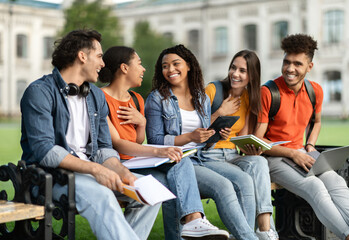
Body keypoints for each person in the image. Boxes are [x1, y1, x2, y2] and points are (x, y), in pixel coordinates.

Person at [20, 29, 160, 240]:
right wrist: (96, 170)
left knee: (150, 194)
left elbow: (104, 148)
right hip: (50, 177)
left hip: (88, 173)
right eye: (99, 56)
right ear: (82, 56)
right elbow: (45, 151)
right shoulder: (39, 92)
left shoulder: (95, 95)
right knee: (103, 195)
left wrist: (123, 173)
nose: (103, 64)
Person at [98, 45, 230, 240]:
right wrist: (160, 152)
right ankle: (191, 222)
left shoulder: (136, 99)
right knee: (160, 185)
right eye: (140, 64)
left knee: (176, 164)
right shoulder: (99, 97)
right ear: (125, 68)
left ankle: (193, 221)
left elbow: (135, 140)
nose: (144, 69)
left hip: (136, 162)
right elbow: (118, 144)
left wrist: (142, 123)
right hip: (115, 164)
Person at [145, 44, 259, 240]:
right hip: (177, 161)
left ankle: (244, 235)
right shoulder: (157, 99)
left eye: (175, 64)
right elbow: (155, 140)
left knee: (244, 180)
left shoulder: (201, 97)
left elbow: (204, 140)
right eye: (165, 66)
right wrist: (190, 137)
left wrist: (215, 136)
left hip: (200, 157)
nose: (170, 69)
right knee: (223, 186)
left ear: (188, 65)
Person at [254, 33, 349, 240]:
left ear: (309, 66)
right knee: (315, 187)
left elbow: (317, 121)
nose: (290, 69)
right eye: (286, 62)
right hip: (271, 159)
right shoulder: (268, 92)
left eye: (297, 64)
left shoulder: (315, 91)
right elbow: (258, 143)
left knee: (336, 182)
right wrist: (293, 154)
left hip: (302, 153)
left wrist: (310, 144)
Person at [201, 50, 278, 240]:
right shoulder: (212, 90)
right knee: (244, 180)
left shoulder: (247, 98)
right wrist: (220, 112)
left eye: (242, 71)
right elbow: (196, 131)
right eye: (233, 68)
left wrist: (251, 148)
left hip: (232, 155)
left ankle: (264, 229)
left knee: (259, 163)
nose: (235, 74)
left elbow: (240, 140)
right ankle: (248, 235)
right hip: (209, 156)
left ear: (251, 76)